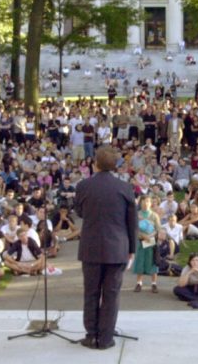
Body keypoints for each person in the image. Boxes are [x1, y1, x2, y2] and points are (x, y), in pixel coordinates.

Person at [74, 146, 136, 351]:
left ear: (96, 164)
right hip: (117, 248)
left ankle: (92, 335)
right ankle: (106, 337)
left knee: (91, 292)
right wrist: (132, 249)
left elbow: (80, 212)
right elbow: (132, 222)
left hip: (91, 247)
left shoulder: (83, 186)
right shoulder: (125, 188)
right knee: (111, 294)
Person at [133, 195, 160, 293]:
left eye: (148, 201)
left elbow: (158, 229)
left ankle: (154, 284)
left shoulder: (154, 215)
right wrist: (143, 236)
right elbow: (134, 229)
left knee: (152, 262)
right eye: (143, 201)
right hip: (140, 242)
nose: (145, 203)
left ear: (151, 203)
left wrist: (150, 236)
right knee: (140, 261)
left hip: (151, 242)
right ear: (140, 203)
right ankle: (139, 283)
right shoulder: (136, 215)